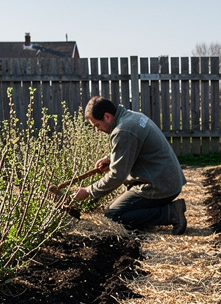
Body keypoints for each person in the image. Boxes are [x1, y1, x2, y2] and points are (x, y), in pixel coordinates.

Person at [73, 96, 188, 234]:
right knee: (122, 208)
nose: (97, 130)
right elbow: (135, 148)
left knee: (113, 215)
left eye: (97, 125)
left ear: (107, 116)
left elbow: (117, 176)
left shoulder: (124, 130)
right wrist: (111, 159)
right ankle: (161, 211)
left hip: (160, 186)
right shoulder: (132, 117)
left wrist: (88, 191)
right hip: (167, 180)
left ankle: (170, 213)